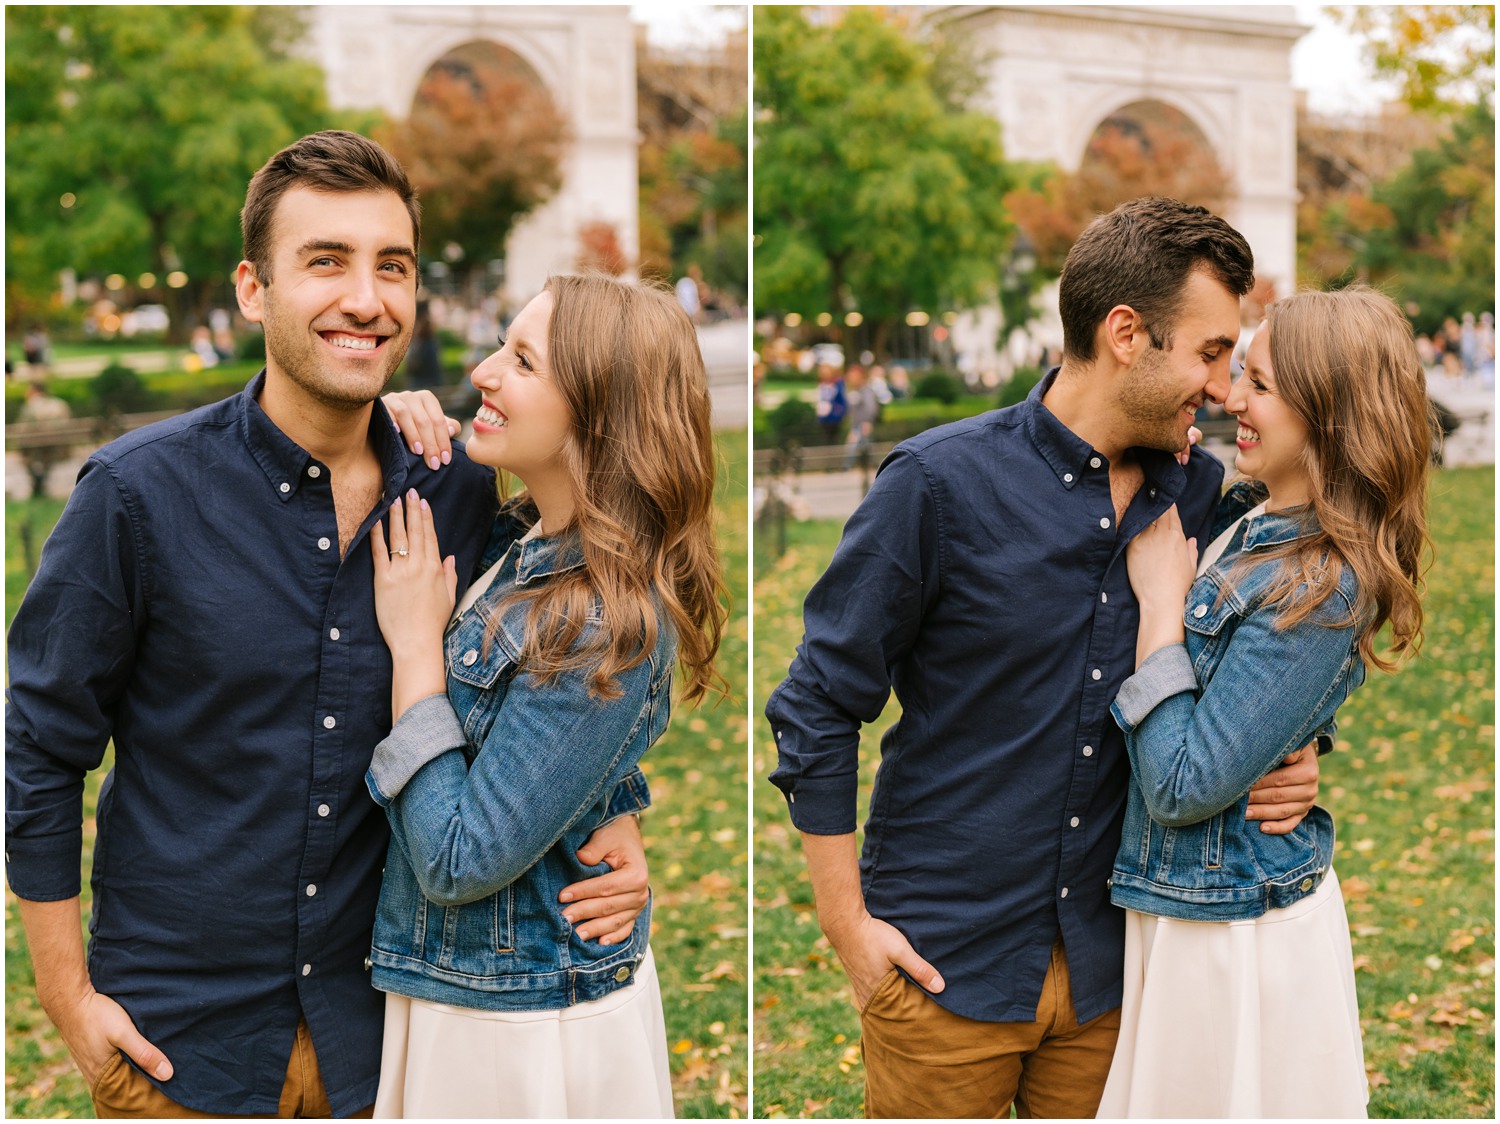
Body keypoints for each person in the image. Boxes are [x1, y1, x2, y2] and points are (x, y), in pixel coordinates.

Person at [5, 131, 647, 1119]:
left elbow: (559, 663)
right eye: (326, 261)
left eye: (392, 265)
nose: (366, 298)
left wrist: (614, 806)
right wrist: (67, 998)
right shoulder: (138, 496)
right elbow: (38, 750)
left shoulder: (458, 487)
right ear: (253, 289)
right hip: (180, 1044)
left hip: (391, 1035)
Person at [766, 197, 1323, 1118]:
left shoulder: (1200, 491)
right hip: (943, 965)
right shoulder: (936, 485)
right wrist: (846, 926)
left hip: (1123, 964)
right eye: (1211, 352)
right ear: (1126, 333)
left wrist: (1299, 750)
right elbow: (818, 703)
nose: (1223, 389)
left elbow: (1260, 645)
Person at [364, 273, 725, 1117]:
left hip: (514, 1024)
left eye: (522, 362)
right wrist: (615, 799)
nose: (484, 373)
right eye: (503, 345)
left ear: (597, 417)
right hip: (469, 991)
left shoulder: (604, 619)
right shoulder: (518, 537)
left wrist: (415, 649)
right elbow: (546, 753)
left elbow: (460, 859)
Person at [1099, 286, 1431, 1117]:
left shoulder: (1322, 581)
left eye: (1261, 384)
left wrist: (1161, 613)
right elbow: (1260, 707)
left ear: (1330, 415)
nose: (1231, 398)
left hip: (1233, 933)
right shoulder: (1250, 518)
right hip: (1190, 914)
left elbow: (1181, 784)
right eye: (1238, 371)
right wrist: (1303, 749)